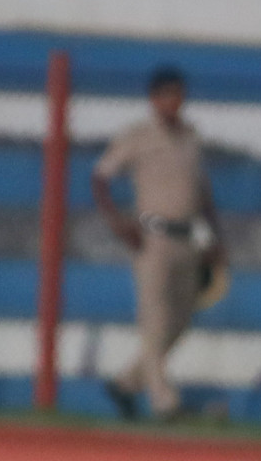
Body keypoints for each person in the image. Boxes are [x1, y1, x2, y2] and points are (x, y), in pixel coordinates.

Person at [93, 66, 227, 422]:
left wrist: (213, 237)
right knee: (154, 319)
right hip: (151, 236)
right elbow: (101, 176)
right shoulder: (138, 135)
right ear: (154, 99)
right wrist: (118, 221)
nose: (173, 102)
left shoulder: (190, 136)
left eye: (178, 94)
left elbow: (202, 192)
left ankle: (125, 383)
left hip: (188, 236)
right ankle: (164, 401)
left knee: (180, 320)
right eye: (166, 95)